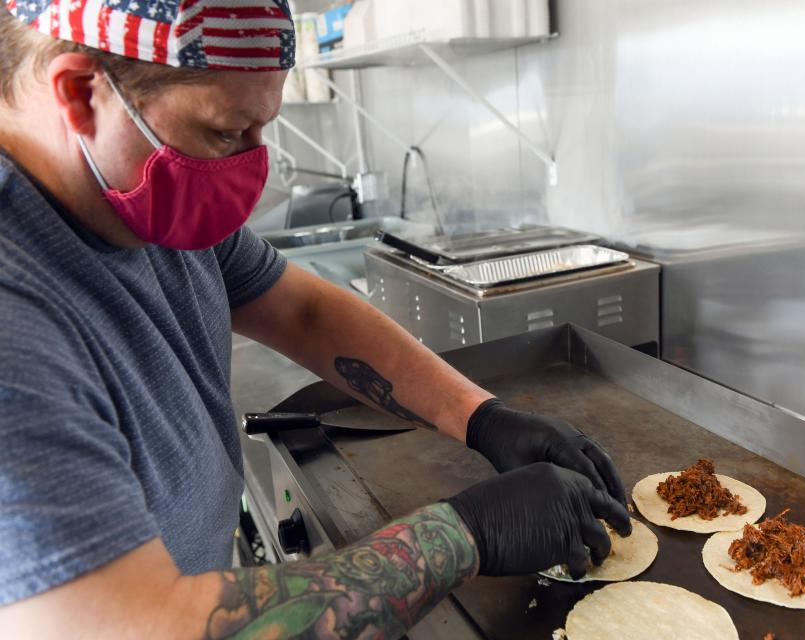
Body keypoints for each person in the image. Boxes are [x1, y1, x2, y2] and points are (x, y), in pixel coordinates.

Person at [0, 1, 632, 637]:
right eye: (224, 133)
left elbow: (300, 311)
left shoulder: (142, 195)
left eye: (260, 129)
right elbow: (128, 626)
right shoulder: (16, 313)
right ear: (81, 93)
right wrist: (466, 532)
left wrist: (481, 418)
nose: (250, 163)